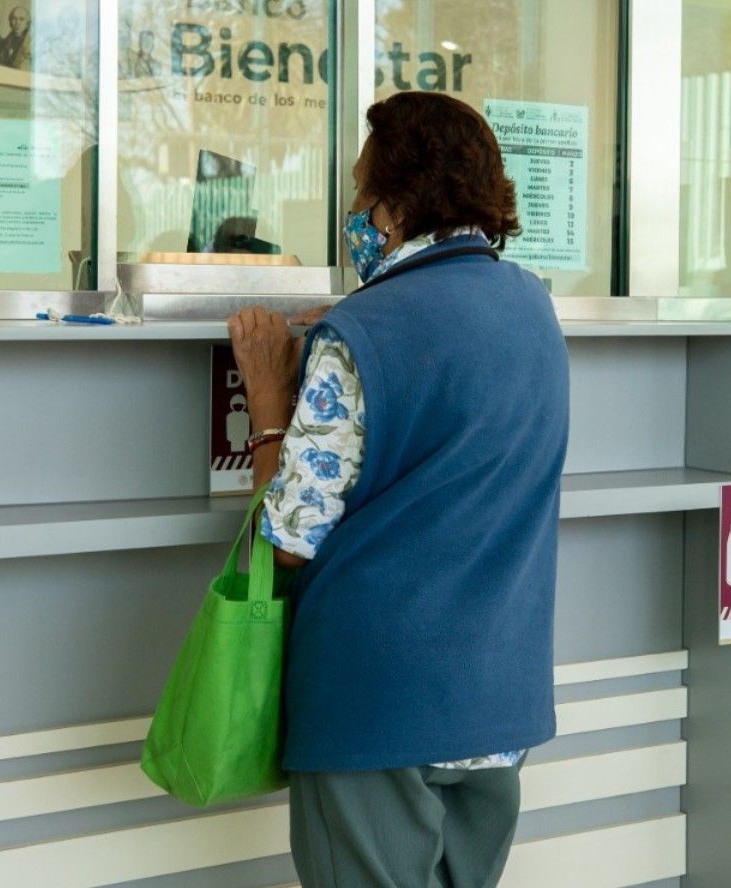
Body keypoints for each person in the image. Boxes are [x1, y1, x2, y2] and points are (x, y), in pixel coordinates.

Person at [227, 91, 570, 887]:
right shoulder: (533, 309)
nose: (355, 211)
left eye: (360, 194)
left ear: (396, 205)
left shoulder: (365, 333)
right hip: (497, 697)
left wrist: (274, 402)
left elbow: (283, 544)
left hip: (378, 702)